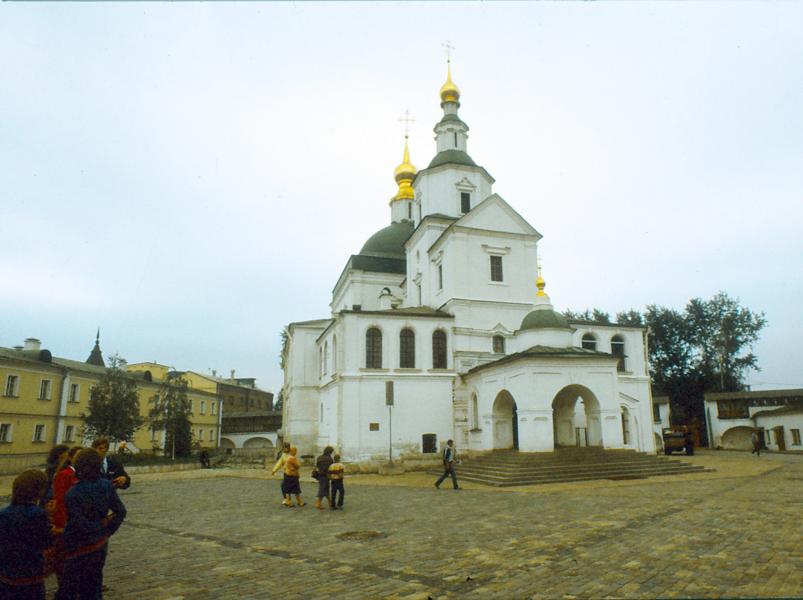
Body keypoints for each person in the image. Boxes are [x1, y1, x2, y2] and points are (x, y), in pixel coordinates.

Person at [55, 449, 126, 600]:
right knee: (93, 586)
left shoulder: (73, 493)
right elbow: (120, 511)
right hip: (99, 545)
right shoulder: (106, 486)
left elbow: (78, 523)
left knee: (67, 590)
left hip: (78, 547)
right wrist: (108, 530)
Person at [0, 469, 52, 600]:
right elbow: (45, 542)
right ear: (38, 491)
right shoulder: (38, 514)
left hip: (7, 573)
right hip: (30, 574)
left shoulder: (3, 513)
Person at [314, 446, 335, 510]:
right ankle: (318, 503)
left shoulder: (319, 457)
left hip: (320, 475)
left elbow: (317, 466)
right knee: (322, 489)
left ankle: (330, 503)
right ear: (330, 452)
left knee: (325, 490)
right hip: (326, 476)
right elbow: (331, 468)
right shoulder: (330, 459)